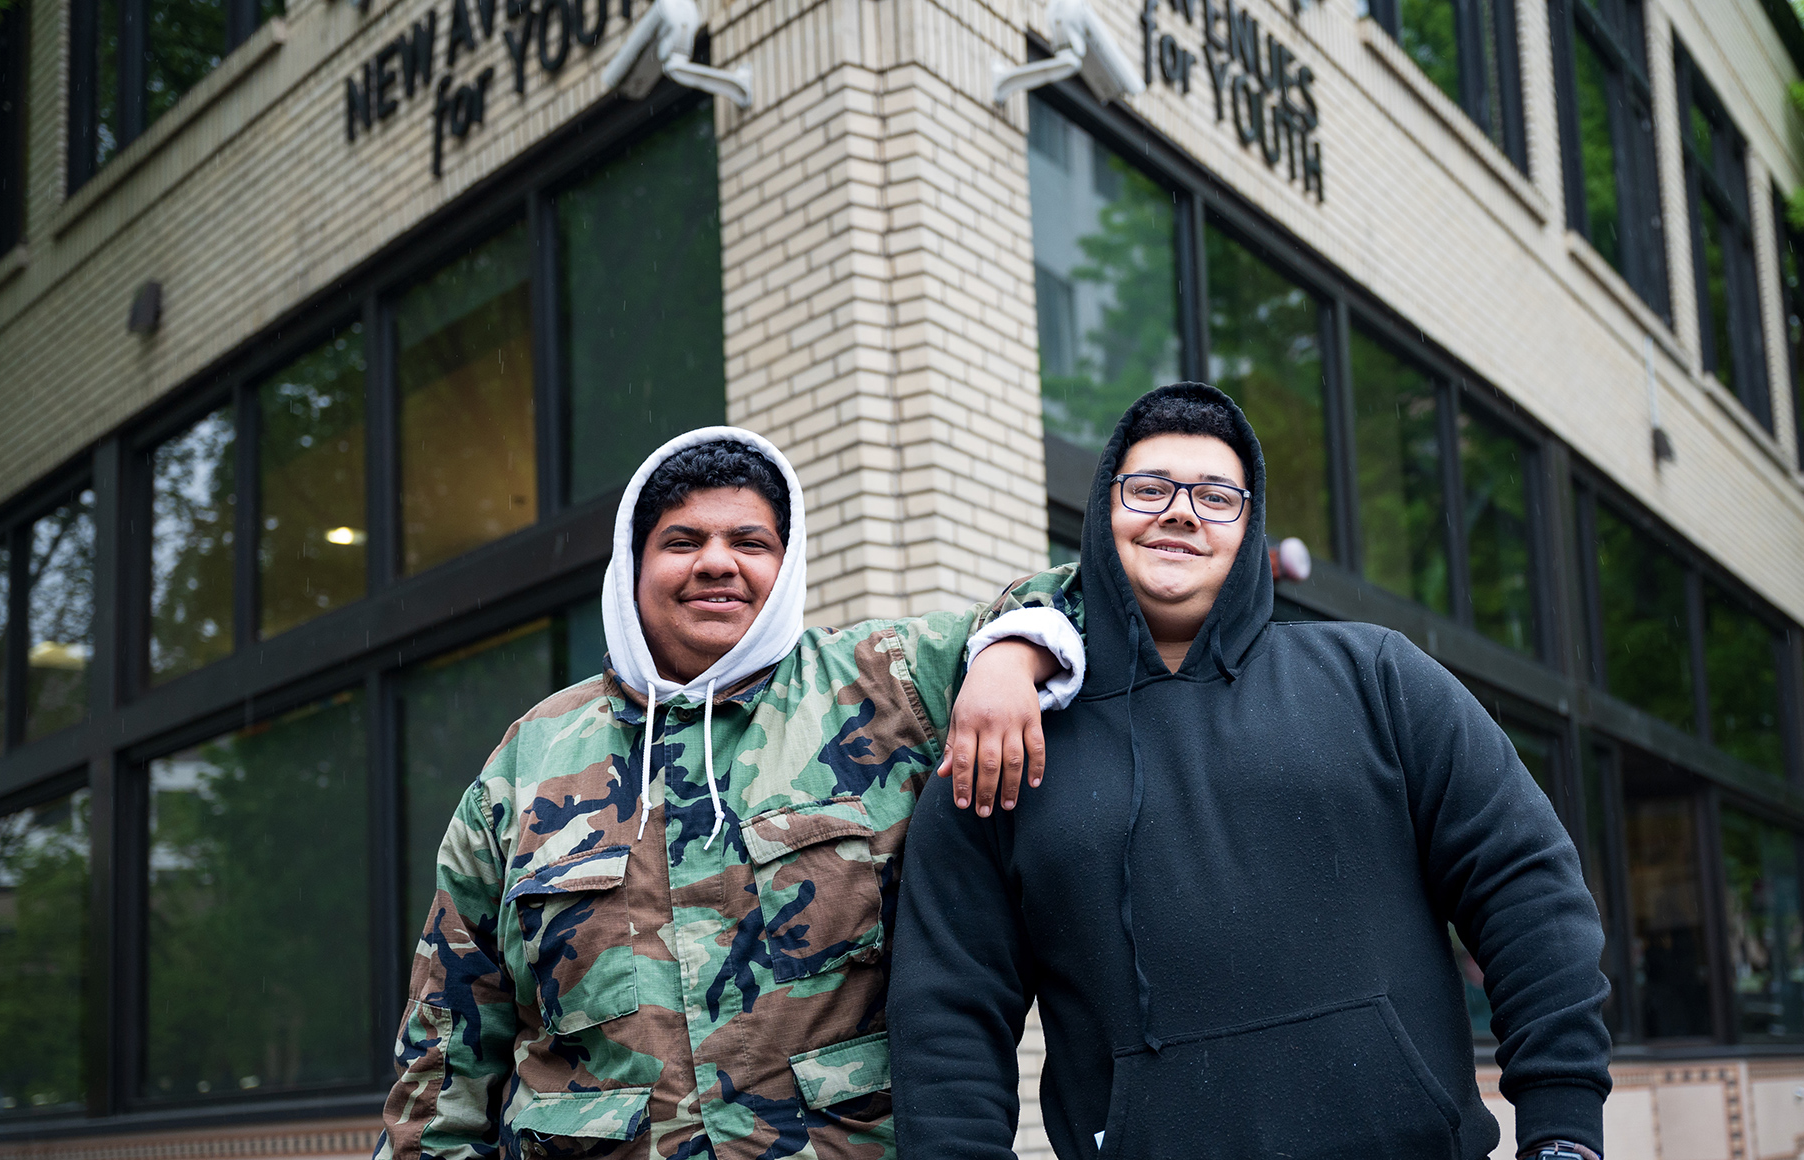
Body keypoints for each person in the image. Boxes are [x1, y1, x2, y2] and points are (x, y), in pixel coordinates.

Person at [888, 384, 1612, 1160]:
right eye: (1149, 489)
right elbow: (949, 1011)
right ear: (1105, 515)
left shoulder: (1378, 678)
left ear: (1249, 525)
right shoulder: (1006, 740)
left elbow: (1526, 889)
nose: (1180, 511)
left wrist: (1563, 1130)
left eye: (1216, 495)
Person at [375, 427, 1084, 1160]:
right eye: (682, 542)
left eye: (750, 542)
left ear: (786, 562)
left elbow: (1093, 594)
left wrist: (1007, 657)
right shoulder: (529, 759)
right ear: (634, 565)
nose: (717, 563)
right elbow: (447, 1045)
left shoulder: (890, 684)